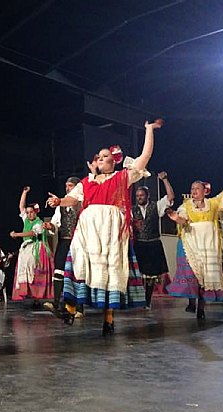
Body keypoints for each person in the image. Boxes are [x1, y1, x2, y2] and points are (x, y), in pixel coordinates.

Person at [48, 120, 161, 335]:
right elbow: (72, 199)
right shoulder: (87, 182)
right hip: (87, 229)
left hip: (110, 230)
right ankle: (70, 308)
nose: (101, 158)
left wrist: (148, 130)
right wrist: (58, 202)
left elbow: (144, 158)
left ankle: (108, 318)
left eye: (106, 156)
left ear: (115, 161)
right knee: (80, 261)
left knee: (109, 270)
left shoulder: (121, 177)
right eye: (98, 157)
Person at [166, 164, 223, 319]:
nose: (194, 191)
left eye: (197, 188)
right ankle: (191, 301)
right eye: (192, 189)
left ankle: (201, 308)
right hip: (191, 243)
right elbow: (183, 219)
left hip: (208, 244)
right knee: (192, 273)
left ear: (204, 191)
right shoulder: (186, 205)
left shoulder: (213, 203)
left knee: (206, 276)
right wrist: (177, 218)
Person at [131, 171, 175, 309]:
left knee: (150, 276)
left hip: (153, 244)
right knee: (139, 275)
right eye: (137, 196)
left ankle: (147, 301)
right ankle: (137, 300)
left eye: (142, 195)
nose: (139, 198)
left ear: (147, 196)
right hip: (139, 244)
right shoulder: (132, 210)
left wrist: (165, 180)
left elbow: (170, 197)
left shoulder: (156, 206)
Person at [45, 177, 82, 316]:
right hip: (64, 241)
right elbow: (55, 224)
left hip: (79, 242)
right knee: (59, 270)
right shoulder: (60, 205)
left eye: (70, 185)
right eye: (66, 185)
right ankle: (56, 302)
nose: (67, 188)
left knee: (78, 273)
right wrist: (50, 226)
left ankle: (79, 307)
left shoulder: (82, 202)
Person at [11, 186, 54, 306]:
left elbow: (32, 233)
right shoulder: (26, 220)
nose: (29, 214)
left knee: (33, 267)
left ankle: (37, 296)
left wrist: (17, 234)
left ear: (36, 212)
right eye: (28, 212)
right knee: (24, 267)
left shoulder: (39, 223)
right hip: (26, 247)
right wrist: (24, 192)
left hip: (37, 247)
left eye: (31, 212)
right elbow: (21, 207)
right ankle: (28, 292)